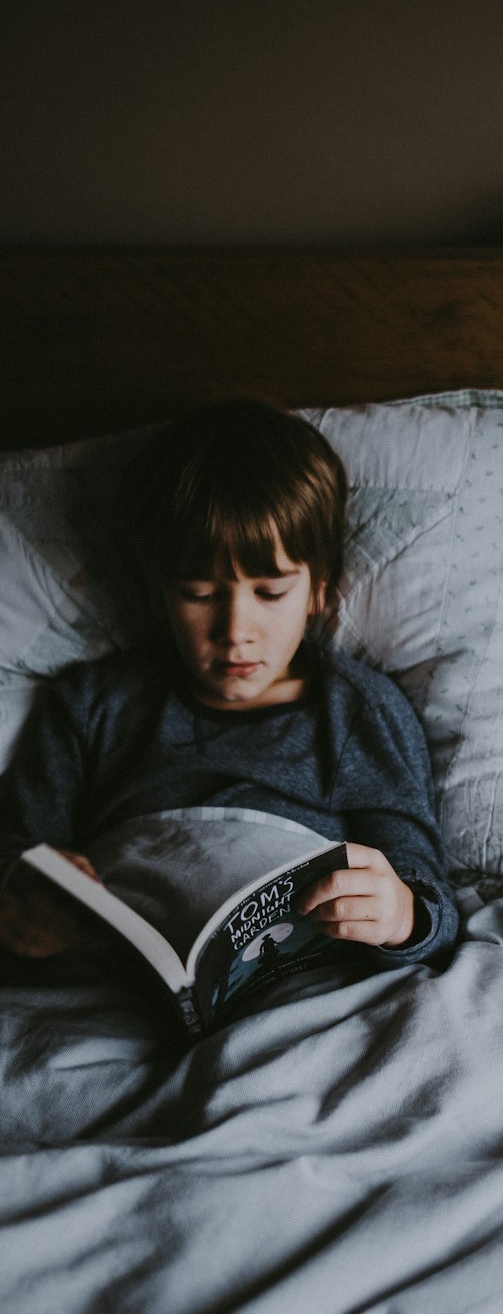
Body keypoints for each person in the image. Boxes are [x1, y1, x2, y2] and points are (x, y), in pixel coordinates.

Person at [0, 398, 459, 973]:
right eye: (199, 594)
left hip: (300, 977)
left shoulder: (356, 712)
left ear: (319, 590)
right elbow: (20, 858)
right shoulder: (92, 705)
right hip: (118, 977)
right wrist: (22, 910)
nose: (236, 631)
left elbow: (425, 886)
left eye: (270, 593)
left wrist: (401, 917)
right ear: (158, 592)